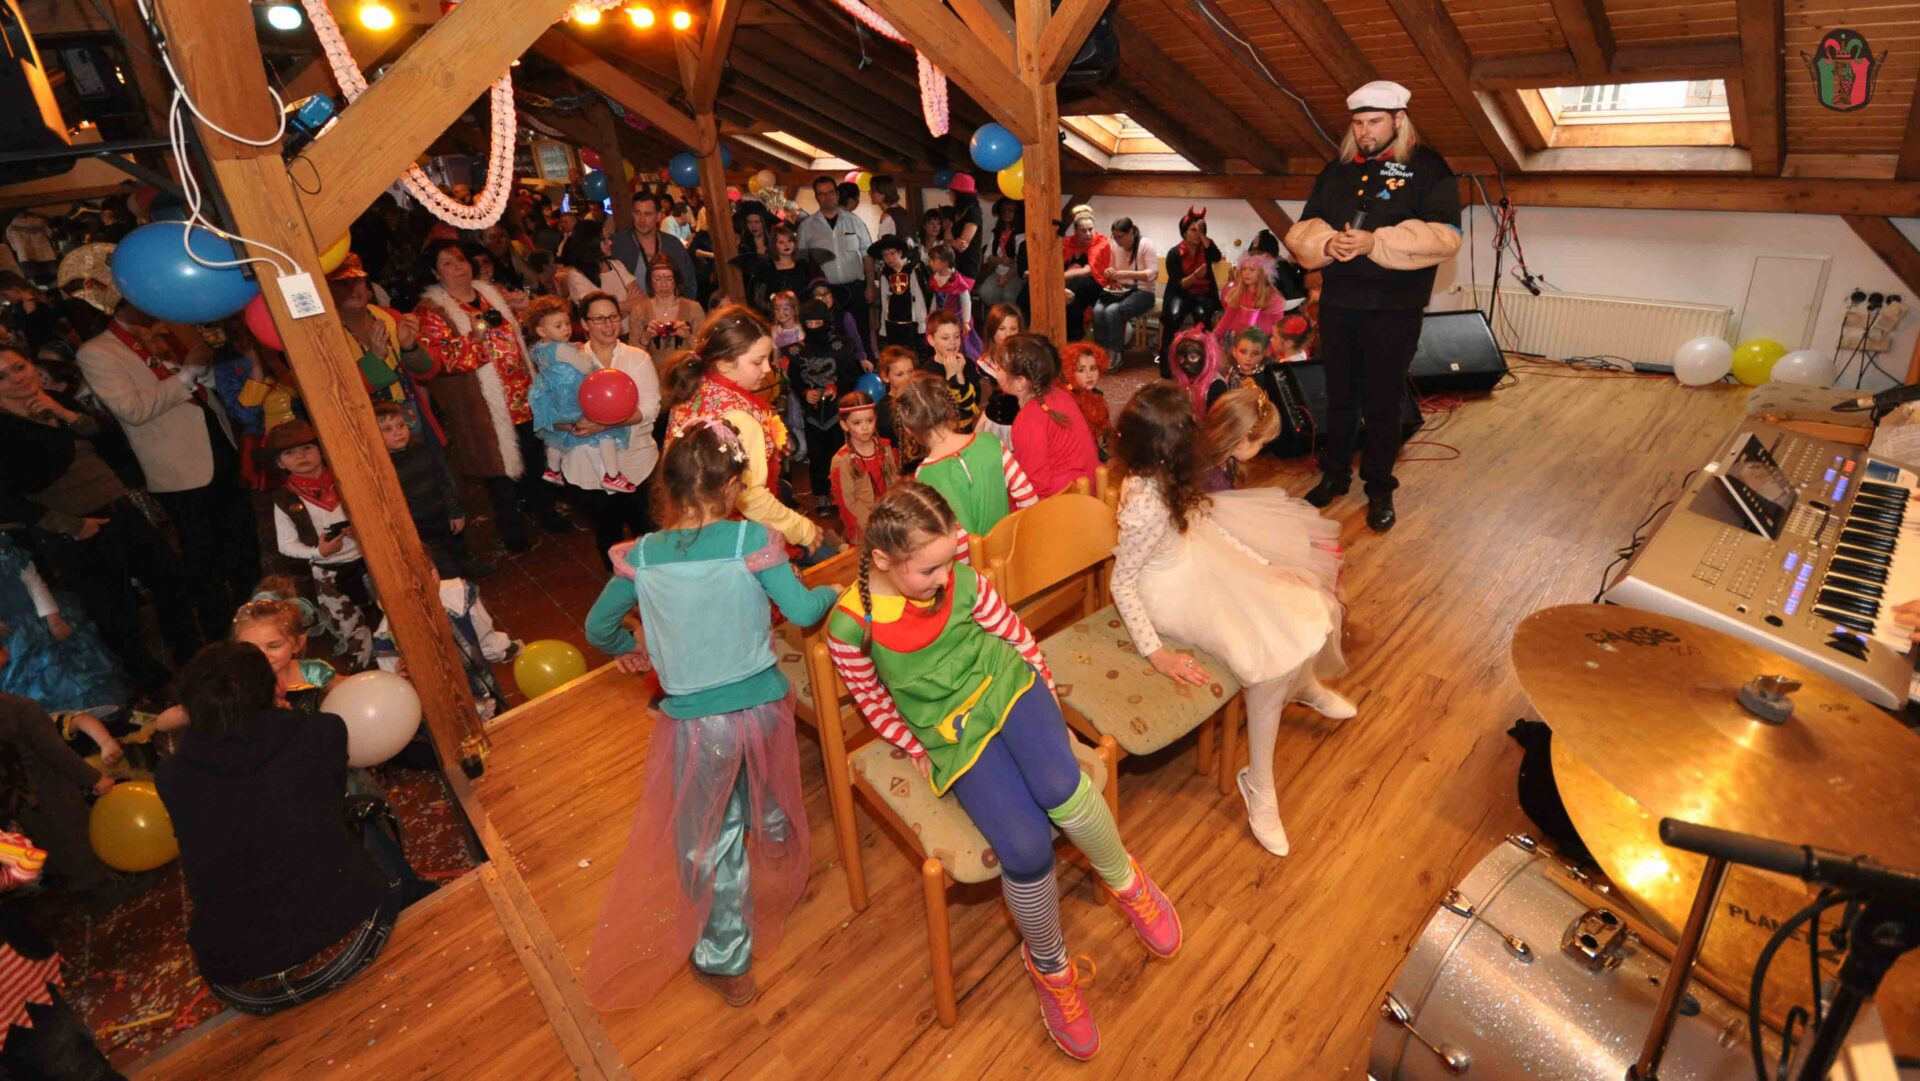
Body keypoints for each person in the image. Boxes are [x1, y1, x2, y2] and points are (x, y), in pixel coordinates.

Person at [826, 483, 1180, 1060]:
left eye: (950, 559)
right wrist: (911, 743)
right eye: (930, 569)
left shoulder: (959, 578)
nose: (946, 577)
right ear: (884, 560)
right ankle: (1051, 968)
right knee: (1025, 848)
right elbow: (871, 699)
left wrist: (1046, 698)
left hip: (1008, 683)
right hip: (951, 731)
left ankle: (1127, 882)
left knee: (1062, 787)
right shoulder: (852, 625)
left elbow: (1012, 635)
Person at [582, 421, 838, 1009]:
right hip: (764, 706)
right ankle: (777, 846)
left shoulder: (643, 556)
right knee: (762, 777)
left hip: (700, 725)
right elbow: (802, 610)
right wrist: (830, 593)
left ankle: (727, 960)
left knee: (708, 836)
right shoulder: (754, 541)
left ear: (670, 488)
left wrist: (629, 648)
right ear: (730, 487)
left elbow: (598, 627)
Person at [1110, 382, 1353, 857]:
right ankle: (1260, 782)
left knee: (1300, 601)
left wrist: (1263, 565)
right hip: (1169, 593)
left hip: (1197, 558)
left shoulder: (1170, 473)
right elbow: (1123, 583)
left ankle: (1302, 684)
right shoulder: (1144, 502)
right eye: (1185, 433)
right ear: (1163, 445)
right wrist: (1156, 653)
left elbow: (1203, 527)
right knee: (1260, 659)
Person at [155, 642, 435, 1015]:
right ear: (276, 688)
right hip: (347, 946)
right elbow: (324, 807)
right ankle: (418, 894)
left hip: (243, 986)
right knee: (359, 815)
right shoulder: (322, 732)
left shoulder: (171, 775)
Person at [1286, 79, 1462, 532]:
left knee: (1383, 400)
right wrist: (1329, 242)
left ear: (1399, 120)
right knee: (1340, 396)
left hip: (1395, 307)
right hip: (1339, 303)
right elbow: (1304, 227)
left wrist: (1374, 242)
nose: (1365, 131)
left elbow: (1446, 237)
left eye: (1375, 122)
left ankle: (1380, 486)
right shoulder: (1338, 169)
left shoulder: (1429, 168)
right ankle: (1334, 475)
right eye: (1359, 123)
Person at [0, 348, 194, 692]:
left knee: (170, 578)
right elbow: (8, 500)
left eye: (19, 367)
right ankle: (152, 686)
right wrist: (71, 525)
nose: (16, 378)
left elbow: (109, 439)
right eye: (2, 376)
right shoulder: (5, 428)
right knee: (116, 613)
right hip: (73, 529)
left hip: (118, 506)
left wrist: (61, 412)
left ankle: (191, 659)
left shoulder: (56, 400)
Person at [76, 300, 258, 644]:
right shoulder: (97, 352)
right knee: (205, 558)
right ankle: (222, 638)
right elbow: (133, 408)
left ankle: (260, 619)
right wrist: (186, 375)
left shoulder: (172, 326)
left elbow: (204, 384)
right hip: (179, 466)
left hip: (219, 444)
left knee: (244, 542)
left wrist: (202, 372)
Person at [415, 239, 558, 555]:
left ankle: (546, 514)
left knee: (536, 457)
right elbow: (440, 362)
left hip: (523, 392)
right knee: (498, 472)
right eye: (447, 264)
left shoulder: (491, 294)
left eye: (461, 260)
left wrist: (526, 309)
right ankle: (513, 534)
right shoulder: (433, 312)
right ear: (435, 273)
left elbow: (523, 333)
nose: (458, 268)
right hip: (483, 403)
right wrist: (475, 337)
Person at [664, 306, 824, 554]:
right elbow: (750, 496)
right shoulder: (738, 417)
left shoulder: (694, 387)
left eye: (768, 359)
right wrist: (802, 529)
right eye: (758, 361)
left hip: (692, 524)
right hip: (735, 536)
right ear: (723, 362)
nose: (768, 369)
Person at [559, 293, 663, 562]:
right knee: (608, 539)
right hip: (589, 466)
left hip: (635, 462)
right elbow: (550, 412)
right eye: (599, 318)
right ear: (584, 323)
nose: (608, 325)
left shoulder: (637, 358)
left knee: (650, 537)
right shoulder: (568, 361)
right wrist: (573, 425)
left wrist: (604, 424)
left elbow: (651, 408)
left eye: (613, 317)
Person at [264, 421, 377, 668]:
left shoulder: (345, 479)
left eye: (307, 448)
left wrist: (361, 529)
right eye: (290, 452)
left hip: (370, 561)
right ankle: (366, 670)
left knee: (390, 613)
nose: (301, 456)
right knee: (351, 628)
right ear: (280, 463)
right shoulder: (285, 498)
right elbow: (286, 544)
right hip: (328, 573)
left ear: (321, 450)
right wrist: (318, 552)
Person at [891, 372, 1035, 551]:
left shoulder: (925, 474)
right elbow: (1028, 497)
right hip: (1010, 553)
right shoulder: (990, 442)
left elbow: (956, 539)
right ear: (949, 408)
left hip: (973, 566)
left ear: (908, 428)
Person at [0, 533, 125, 717]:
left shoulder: (10, 556)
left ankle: (94, 714)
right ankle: (51, 723)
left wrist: (54, 619)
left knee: (63, 664)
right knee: (25, 680)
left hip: (37, 620)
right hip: (10, 636)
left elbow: (35, 586)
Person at [524, 295, 636, 495]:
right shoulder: (563, 349)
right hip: (572, 397)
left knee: (556, 436)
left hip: (552, 399)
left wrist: (570, 349)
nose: (566, 329)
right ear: (541, 330)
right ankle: (612, 475)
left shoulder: (537, 349)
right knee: (605, 430)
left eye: (567, 323)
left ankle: (553, 470)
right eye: (558, 326)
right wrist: (585, 357)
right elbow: (585, 367)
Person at [330, 255, 440, 452]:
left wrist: (410, 347)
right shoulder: (326, 334)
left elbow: (427, 370)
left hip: (413, 425)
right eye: (343, 283)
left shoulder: (390, 316)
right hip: (367, 437)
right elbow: (339, 393)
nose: (353, 289)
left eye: (357, 281)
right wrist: (375, 359)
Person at [371, 576, 514, 721]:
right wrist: (403, 683)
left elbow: (489, 645)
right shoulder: (386, 639)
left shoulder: (457, 596)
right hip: (442, 717)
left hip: (484, 702)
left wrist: (508, 650)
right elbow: (490, 646)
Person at [376, 402, 485, 578]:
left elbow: (443, 481)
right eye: (387, 429)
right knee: (446, 568)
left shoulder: (423, 450)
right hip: (421, 527)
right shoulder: (383, 468)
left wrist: (454, 510)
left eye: (401, 425)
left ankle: (468, 569)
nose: (398, 432)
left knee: (459, 551)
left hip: (443, 515)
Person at [997, 335, 1100, 499]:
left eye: (1000, 367)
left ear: (1020, 382)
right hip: (1088, 488)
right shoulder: (1060, 395)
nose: (996, 370)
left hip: (1064, 500)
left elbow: (1034, 488)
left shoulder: (1028, 421)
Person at [792, 299, 862, 511]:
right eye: (809, 323)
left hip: (838, 412)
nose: (813, 327)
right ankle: (821, 493)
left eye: (817, 323)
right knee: (817, 454)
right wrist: (805, 393)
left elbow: (851, 375)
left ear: (826, 322)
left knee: (841, 452)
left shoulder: (842, 346)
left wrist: (836, 387)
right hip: (812, 413)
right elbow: (795, 380)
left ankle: (844, 492)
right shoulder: (796, 351)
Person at [796, 176, 874, 346]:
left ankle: (865, 361)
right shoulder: (807, 226)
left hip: (855, 289)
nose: (827, 197)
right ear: (816, 197)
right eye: (822, 194)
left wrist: (870, 285)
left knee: (862, 333)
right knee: (831, 337)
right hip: (826, 293)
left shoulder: (855, 222)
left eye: (830, 192)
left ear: (837, 194)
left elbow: (867, 254)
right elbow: (802, 262)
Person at [1158, 208, 1224, 375]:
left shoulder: (1206, 248)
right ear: (1184, 232)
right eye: (1193, 230)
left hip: (1203, 293)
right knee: (1172, 317)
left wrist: (1203, 235)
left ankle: (1205, 364)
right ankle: (1167, 365)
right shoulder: (1174, 253)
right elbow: (1179, 284)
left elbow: (1216, 256)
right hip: (1180, 293)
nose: (1197, 234)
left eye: (1200, 230)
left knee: (1204, 317)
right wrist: (1195, 276)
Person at [828, 391, 898, 542]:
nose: (865, 427)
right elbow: (849, 502)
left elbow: (893, 481)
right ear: (844, 425)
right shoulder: (842, 460)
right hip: (865, 524)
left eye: (870, 420)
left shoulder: (884, 447)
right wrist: (874, 524)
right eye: (857, 423)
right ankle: (837, 544)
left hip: (889, 515)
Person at [1092, 217, 1158, 367]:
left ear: (1131, 232)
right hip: (1121, 290)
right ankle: (1101, 350)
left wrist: (1125, 274)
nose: (1117, 241)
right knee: (1098, 310)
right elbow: (1113, 268)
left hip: (1144, 292)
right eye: (1114, 237)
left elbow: (1152, 274)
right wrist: (1110, 271)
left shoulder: (1145, 244)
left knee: (1112, 311)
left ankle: (1116, 352)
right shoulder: (1115, 245)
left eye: (1120, 237)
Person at [611, 191, 698, 299]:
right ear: (632, 214)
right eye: (637, 213)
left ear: (658, 216)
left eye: (648, 214)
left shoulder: (673, 244)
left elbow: (689, 283)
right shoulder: (618, 244)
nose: (642, 220)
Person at [563, 220, 641, 332]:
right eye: (605, 239)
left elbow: (640, 301)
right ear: (591, 243)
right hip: (603, 336)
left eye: (609, 238)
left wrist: (613, 310)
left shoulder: (617, 265)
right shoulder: (577, 275)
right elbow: (595, 312)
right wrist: (626, 307)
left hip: (633, 332)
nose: (610, 243)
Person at [1201, 384, 1281, 492]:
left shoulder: (1218, 459)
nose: (1261, 448)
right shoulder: (1215, 484)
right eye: (1261, 444)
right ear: (1242, 442)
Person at [630, 252, 705, 359]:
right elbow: (632, 357)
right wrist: (645, 338)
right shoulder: (639, 311)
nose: (664, 285)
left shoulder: (693, 308)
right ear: (650, 282)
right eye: (657, 279)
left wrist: (688, 336)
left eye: (669, 279)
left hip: (685, 366)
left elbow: (705, 351)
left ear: (676, 280)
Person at [1060, 206, 1113, 343]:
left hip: (1096, 285)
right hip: (1073, 289)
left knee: (1074, 287)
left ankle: (1075, 340)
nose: (1088, 234)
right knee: (1073, 303)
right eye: (1083, 230)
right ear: (1075, 231)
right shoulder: (1067, 243)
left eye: (1091, 229)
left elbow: (1089, 271)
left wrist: (1060, 278)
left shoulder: (1101, 242)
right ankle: (1073, 341)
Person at [1215, 252, 1291, 347]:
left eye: (1252, 270)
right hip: (1238, 342)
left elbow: (1279, 325)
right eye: (1244, 269)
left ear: (1262, 273)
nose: (1246, 273)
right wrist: (1216, 335)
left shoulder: (1271, 297)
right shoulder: (1237, 293)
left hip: (1261, 345)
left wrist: (1276, 347)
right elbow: (1227, 318)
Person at [975, 303, 1023, 448]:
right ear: (992, 331)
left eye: (1013, 329)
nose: (1008, 334)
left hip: (1021, 426)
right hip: (993, 426)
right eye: (1002, 329)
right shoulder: (984, 363)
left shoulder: (1026, 359)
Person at [925, 309, 982, 430]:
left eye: (956, 336)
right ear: (931, 340)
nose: (953, 342)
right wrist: (951, 378)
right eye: (945, 338)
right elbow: (940, 412)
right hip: (939, 433)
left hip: (965, 430)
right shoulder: (926, 372)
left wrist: (959, 375)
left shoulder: (967, 364)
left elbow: (969, 408)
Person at [921, 245, 981, 360]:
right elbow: (935, 298)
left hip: (956, 318)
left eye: (933, 260)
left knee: (960, 343)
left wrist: (966, 321)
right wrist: (931, 313)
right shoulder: (935, 278)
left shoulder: (956, 280)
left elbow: (966, 301)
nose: (930, 263)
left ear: (944, 263)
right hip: (940, 317)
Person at [868, 235, 924, 355]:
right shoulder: (885, 274)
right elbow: (885, 300)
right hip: (892, 322)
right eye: (885, 255)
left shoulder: (911, 270)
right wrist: (884, 326)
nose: (889, 258)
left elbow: (918, 297)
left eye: (892, 253)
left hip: (910, 321)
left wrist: (921, 322)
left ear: (900, 252)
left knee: (911, 353)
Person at [975, 198, 1027, 315]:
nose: (1006, 213)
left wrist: (1006, 277)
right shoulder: (997, 233)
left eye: (1010, 211)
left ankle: (1010, 319)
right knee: (985, 292)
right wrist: (1000, 261)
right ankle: (997, 317)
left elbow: (1019, 261)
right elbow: (988, 255)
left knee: (1008, 295)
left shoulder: (1021, 235)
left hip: (1015, 274)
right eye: (1004, 211)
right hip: (998, 270)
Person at [1061, 342, 1112, 459]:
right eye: (1081, 370)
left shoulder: (1097, 395)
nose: (1089, 375)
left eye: (1093, 369)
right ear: (1070, 372)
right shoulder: (1068, 401)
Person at [1168, 324, 1223, 420]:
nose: (1186, 364)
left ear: (1206, 357)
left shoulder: (1216, 385)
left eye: (1193, 357)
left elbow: (1218, 421)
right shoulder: (1187, 381)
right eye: (1181, 359)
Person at [945, 173, 985, 282]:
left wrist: (950, 242)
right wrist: (951, 242)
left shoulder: (973, 213)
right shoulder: (956, 212)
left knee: (961, 293)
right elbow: (947, 237)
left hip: (968, 265)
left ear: (959, 194)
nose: (950, 195)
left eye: (951, 192)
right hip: (954, 264)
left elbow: (961, 245)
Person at [761, 225, 814, 305]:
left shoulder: (803, 265)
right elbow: (764, 298)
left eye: (789, 241)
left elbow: (810, 292)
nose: (786, 245)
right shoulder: (768, 268)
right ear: (774, 245)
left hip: (803, 309)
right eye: (781, 242)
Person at [869, 175, 914, 243]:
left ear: (882, 194)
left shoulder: (887, 216)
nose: (870, 193)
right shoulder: (903, 211)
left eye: (873, 191)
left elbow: (884, 245)